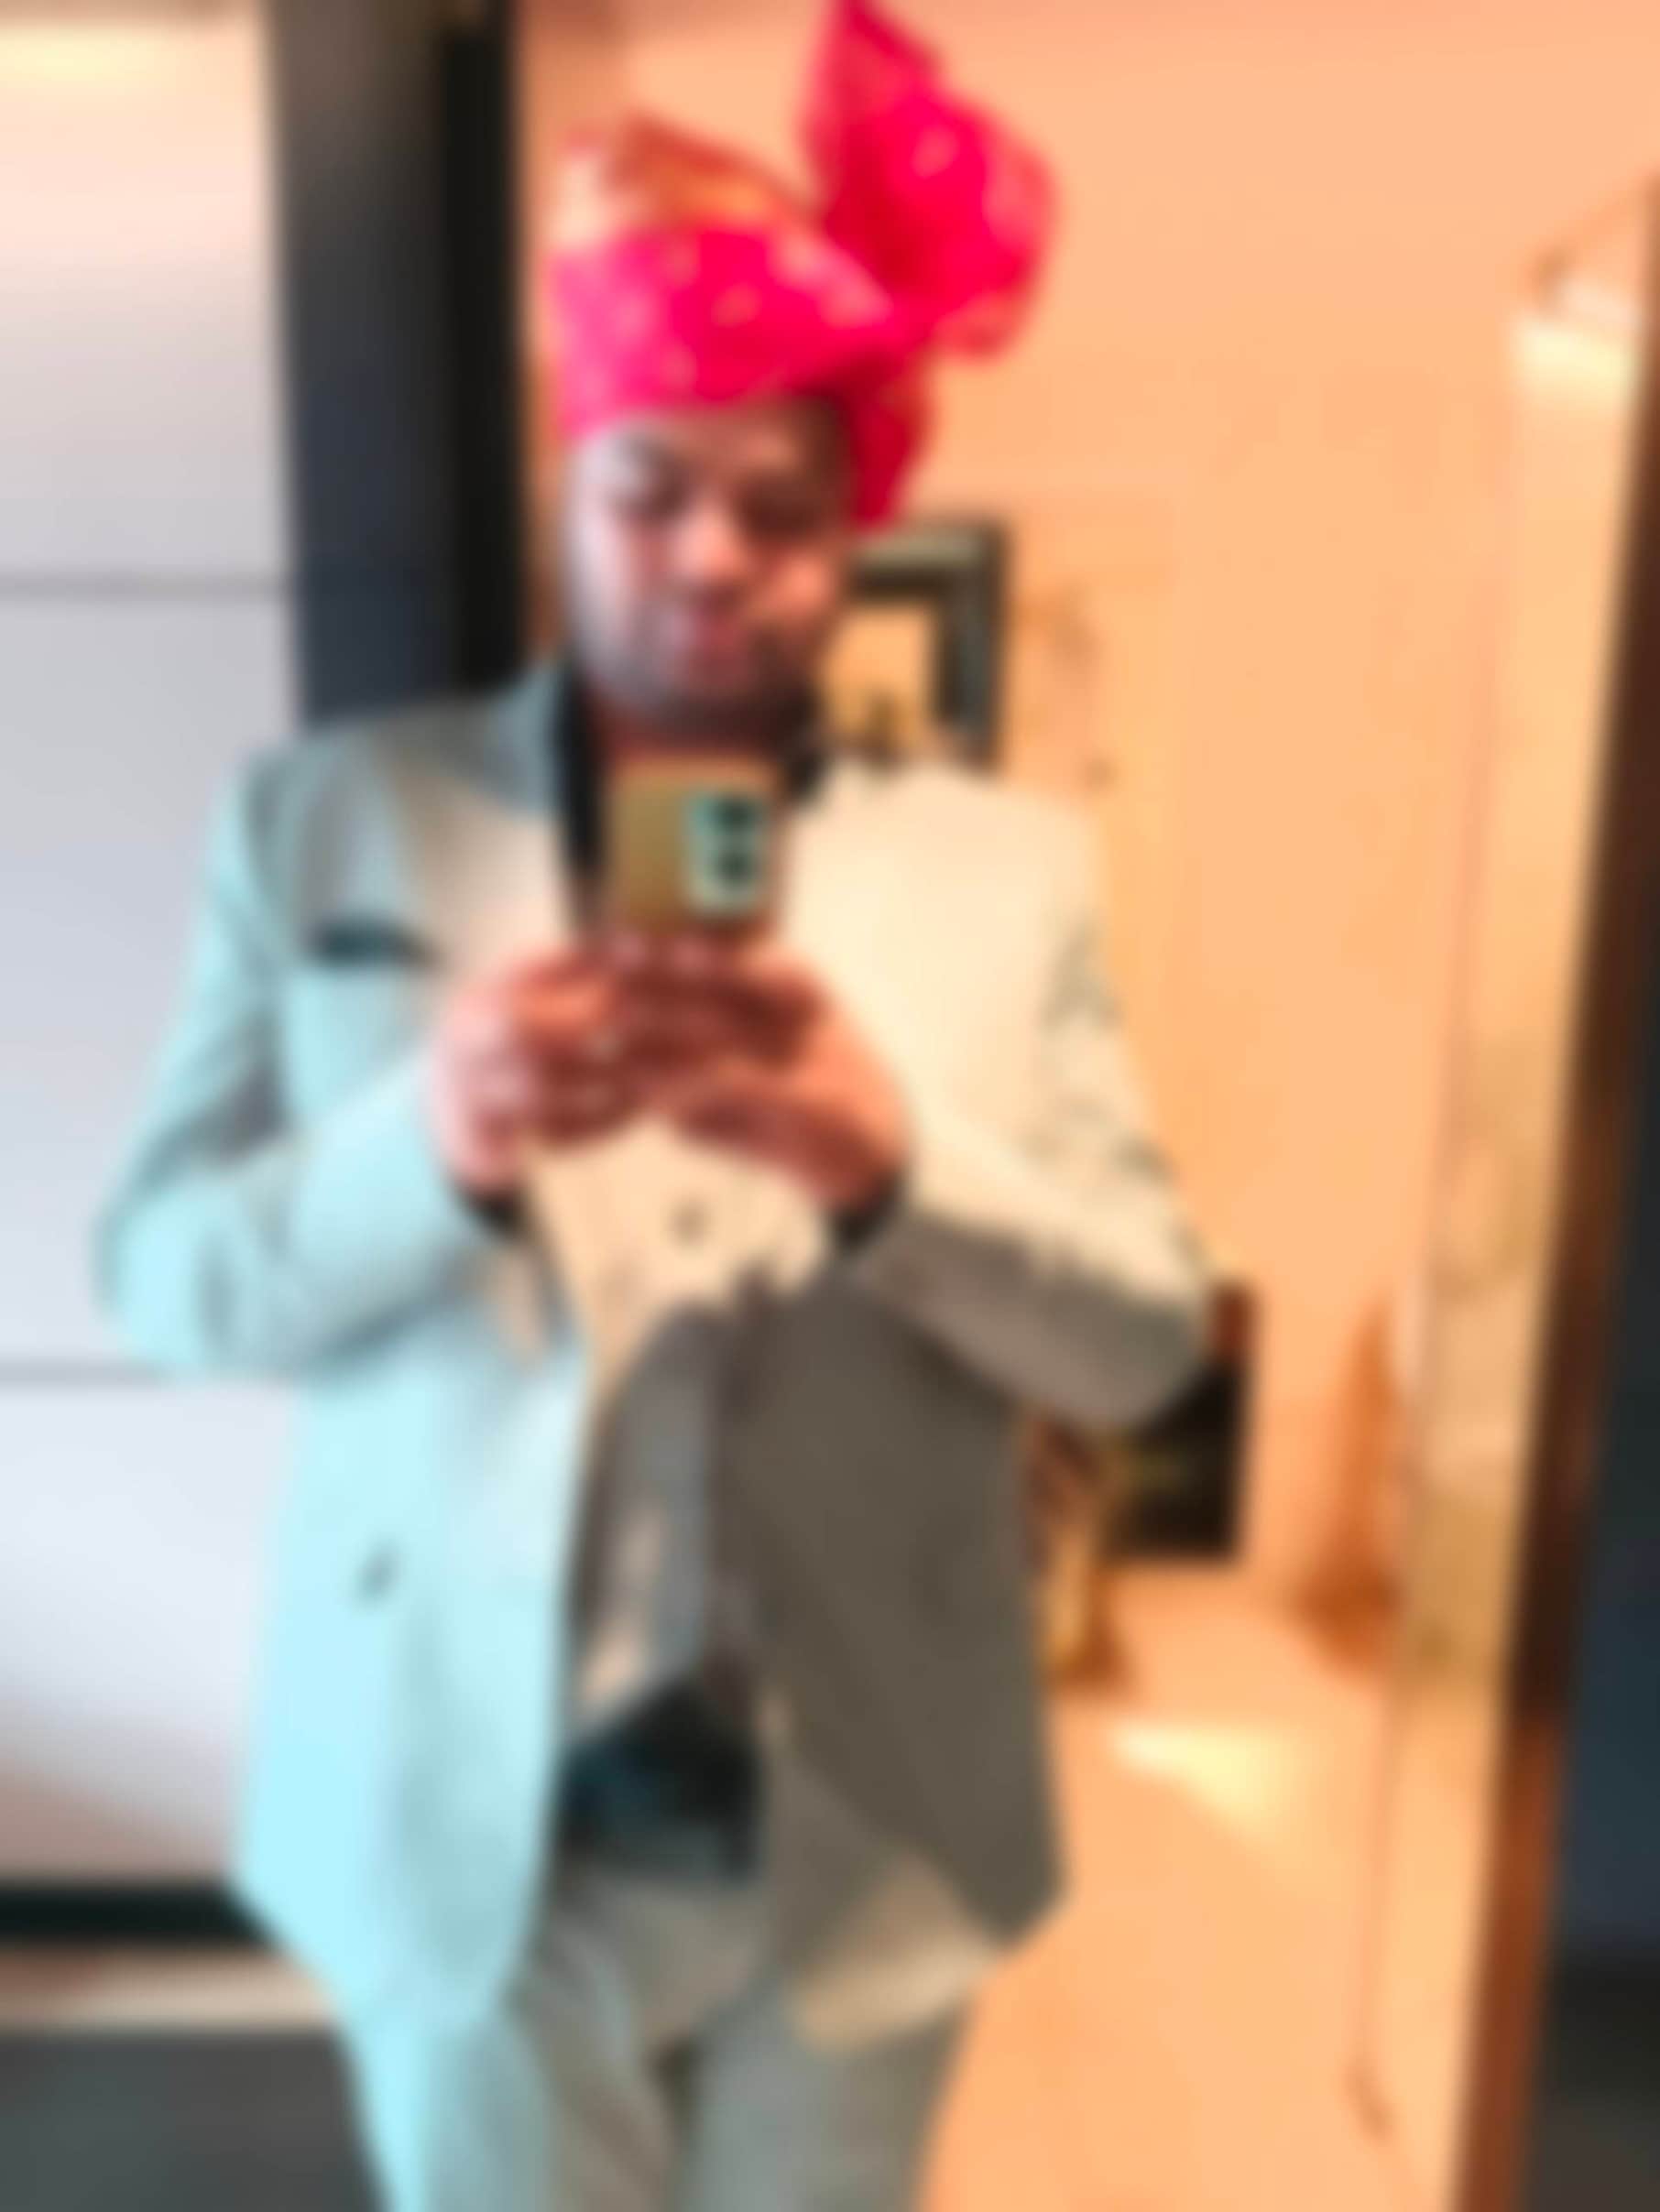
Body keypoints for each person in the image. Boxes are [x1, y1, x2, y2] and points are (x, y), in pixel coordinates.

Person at [95, 5, 1213, 2207]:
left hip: (862, 1836)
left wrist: (898, 1165)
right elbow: (166, 1278)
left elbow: (1143, 1337)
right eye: (652, 490)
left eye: (783, 510)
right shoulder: (327, 826)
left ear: (858, 527)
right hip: (467, 1828)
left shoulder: (1008, 877)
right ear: (568, 476)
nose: (713, 559)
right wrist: (424, 1146)